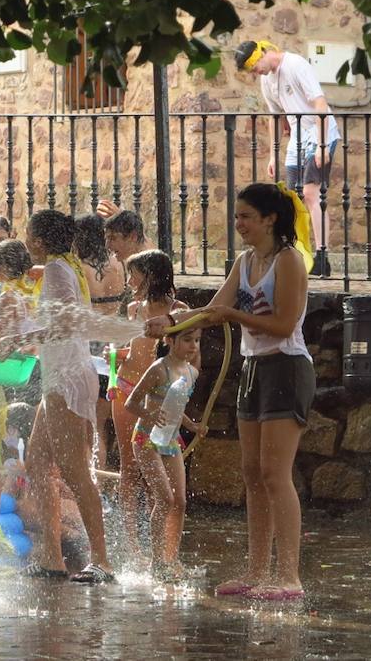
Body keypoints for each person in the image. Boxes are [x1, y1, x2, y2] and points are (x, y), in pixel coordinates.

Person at [145, 182, 314, 601]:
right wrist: (170, 324)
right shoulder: (244, 261)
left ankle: (289, 577)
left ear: (270, 219)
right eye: (237, 216)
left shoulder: (289, 261)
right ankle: (257, 573)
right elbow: (209, 311)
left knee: (276, 474)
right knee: (252, 474)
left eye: (245, 217)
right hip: (254, 367)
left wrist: (232, 314)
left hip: (287, 367)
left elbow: (283, 325)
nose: (238, 224)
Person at [0, 209, 115, 584]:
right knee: (41, 463)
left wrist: (15, 339)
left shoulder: (60, 270)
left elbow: (61, 325)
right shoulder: (64, 266)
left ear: (40, 241)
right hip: (62, 376)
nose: (25, 240)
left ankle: (103, 562)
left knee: (75, 473)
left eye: (29, 234)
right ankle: (52, 558)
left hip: (67, 379)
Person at [109, 249, 188, 565]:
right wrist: (117, 355)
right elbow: (135, 348)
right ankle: (133, 546)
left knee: (168, 485)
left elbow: (188, 357)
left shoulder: (179, 311)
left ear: (152, 276)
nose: (128, 282)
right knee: (129, 468)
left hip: (159, 399)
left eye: (133, 274)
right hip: (127, 388)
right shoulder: (133, 308)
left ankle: (168, 553)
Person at [235, 40, 339, 277]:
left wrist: (322, 145)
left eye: (254, 67)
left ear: (262, 54)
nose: (255, 73)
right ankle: (294, 251)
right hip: (297, 138)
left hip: (319, 132)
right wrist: (273, 154)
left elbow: (320, 103)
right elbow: (275, 118)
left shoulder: (295, 65)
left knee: (312, 194)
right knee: (291, 199)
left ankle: (322, 255)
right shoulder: (267, 80)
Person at [124, 327, 205, 582]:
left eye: (197, 341)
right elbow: (131, 403)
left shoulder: (191, 373)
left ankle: (172, 558)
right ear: (170, 341)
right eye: (187, 340)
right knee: (165, 499)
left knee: (179, 501)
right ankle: (157, 563)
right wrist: (149, 414)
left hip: (171, 439)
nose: (193, 346)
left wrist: (192, 425)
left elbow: (175, 405)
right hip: (146, 439)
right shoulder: (159, 368)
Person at [74, 213, 125, 467]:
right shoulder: (119, 265)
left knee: (89, 429)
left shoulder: (81, 269)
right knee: (102, 427)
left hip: (91, 352)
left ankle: (91, 490)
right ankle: (102, 492)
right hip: (113, 350)